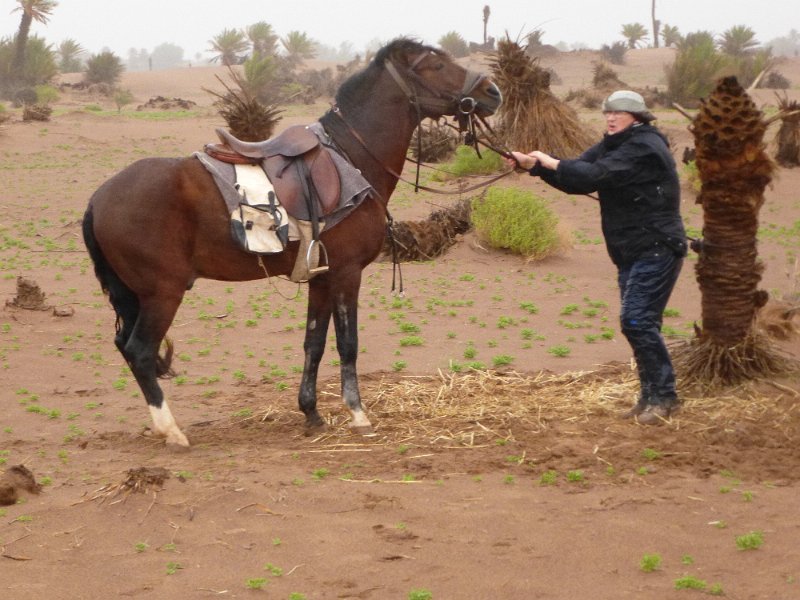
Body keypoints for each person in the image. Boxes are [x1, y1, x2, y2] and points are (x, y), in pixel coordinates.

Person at [505, 90, 687, 425]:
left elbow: (592, 175)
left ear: (638, 117)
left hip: (657, 246)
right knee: (640, 324)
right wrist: (535, 166)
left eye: (619, 113)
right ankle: (650, 397)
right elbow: (578, 179)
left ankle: (664, 397)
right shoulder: (613, 144)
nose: (611, 118)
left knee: (636, 321)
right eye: (607, 112)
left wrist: (548, 160)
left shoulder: (645, 146)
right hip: (629, 249)